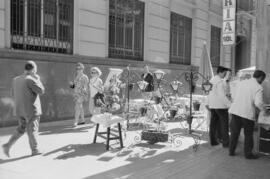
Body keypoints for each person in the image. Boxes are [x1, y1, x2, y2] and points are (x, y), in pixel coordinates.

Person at [2, 61, 45, 157]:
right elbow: (41, 91)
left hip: (19, 110)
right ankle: (35, 150)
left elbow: (12, 94)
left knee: (21, 129)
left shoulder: (15, 79)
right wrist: (38, 79)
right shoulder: (30, 79)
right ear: (33, 69)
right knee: (33, 129)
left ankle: (8, 145)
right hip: (31, 110)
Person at [229, 70, 266, 159]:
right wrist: (265, 110)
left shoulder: (241, 83)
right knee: (248, 134)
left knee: (234, 133)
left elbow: (233, 95)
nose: (262, 81)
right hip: (247, 113)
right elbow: (258, 103)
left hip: (236, 111)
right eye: (263, 79)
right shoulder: (258, 87)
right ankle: (248, 154)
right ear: (260, 77)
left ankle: (231, 151)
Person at [207, 66, 231, 147]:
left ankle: (213, 141)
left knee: (213, 124)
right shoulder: (219, 82)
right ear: (220, 72)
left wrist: (208, 104)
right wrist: (230, 105)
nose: (225, 75)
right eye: (224, 73)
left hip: (212, 106)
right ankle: (226, 143)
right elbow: (222, 95)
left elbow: (208, 93)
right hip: (220, 106)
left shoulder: (211, 80)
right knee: (224, 125)